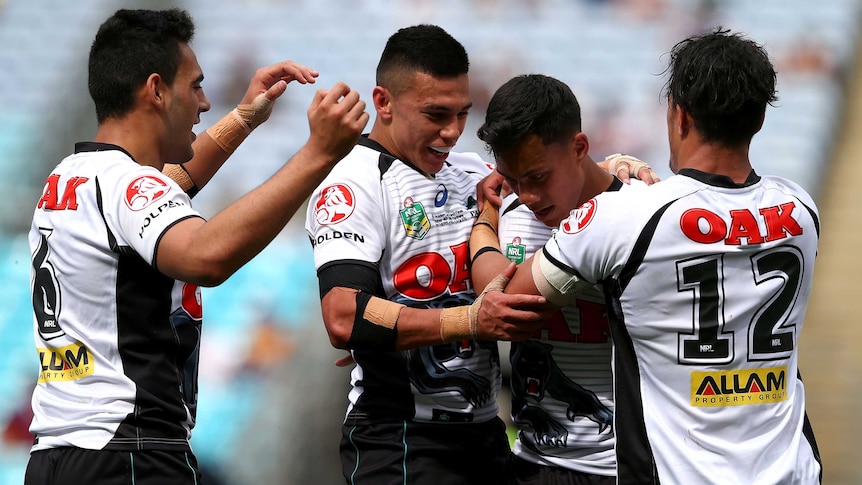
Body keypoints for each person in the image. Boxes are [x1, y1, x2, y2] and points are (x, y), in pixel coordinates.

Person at [25, 8, 368, 485]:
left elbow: (168, 188)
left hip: (58, 456)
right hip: (129, 453)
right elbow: (204, 256)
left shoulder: (69, 177)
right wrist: (318, 155)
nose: (206, 102)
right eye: (195, 86)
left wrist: (245, 118)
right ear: (156, 90)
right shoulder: (126, 186)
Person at [304, 24, 654, 485]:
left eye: (461, 114)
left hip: (490, 434)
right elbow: (344, 317)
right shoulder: (353, 184)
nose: (451, 132)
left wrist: (618, 167)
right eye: (435, 114)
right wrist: (467, 321)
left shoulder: (475, 174)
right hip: (404, 437)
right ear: (383, 102)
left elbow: (557, 170)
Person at [472, 29, 823, 484]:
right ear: (758, 120)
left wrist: (485, 221)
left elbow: (503, 298)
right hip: (792, 469)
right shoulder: (802, 208)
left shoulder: (627, 215)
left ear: (678, 115)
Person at [469, 74, 654, 485]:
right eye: (513, 179)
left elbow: (498, 296)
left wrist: (482, 225)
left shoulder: (639, 216)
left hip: (625, 466)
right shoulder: (510, 209)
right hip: (533, 459)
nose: (528, 196)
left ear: (580, 147)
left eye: (538, 177)